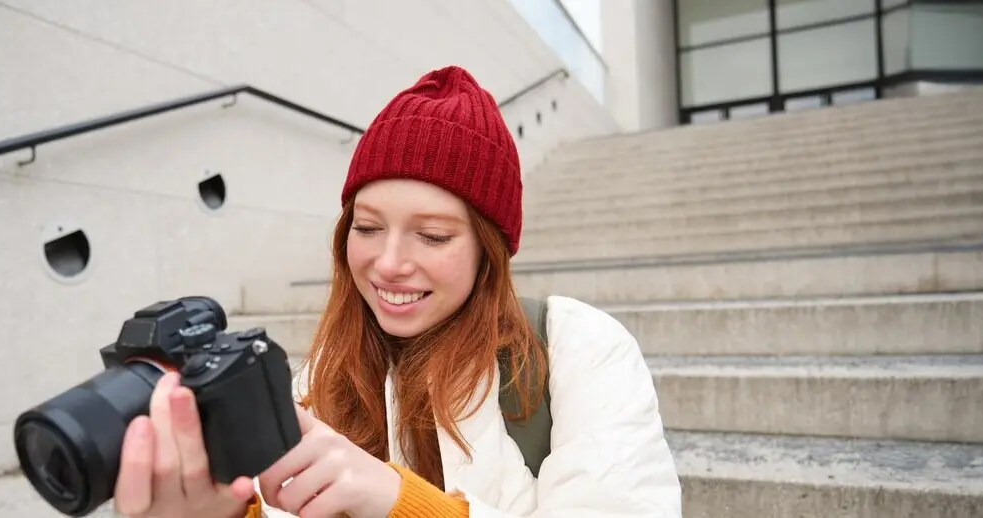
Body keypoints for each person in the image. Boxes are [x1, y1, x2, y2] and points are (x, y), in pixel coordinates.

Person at [110, 65, 682, 518]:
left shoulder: (577, 348)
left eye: (432, 235)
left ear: (491, 249)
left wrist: (395, 502)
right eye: (367, 227)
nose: (387, 264)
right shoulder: (320, 376)